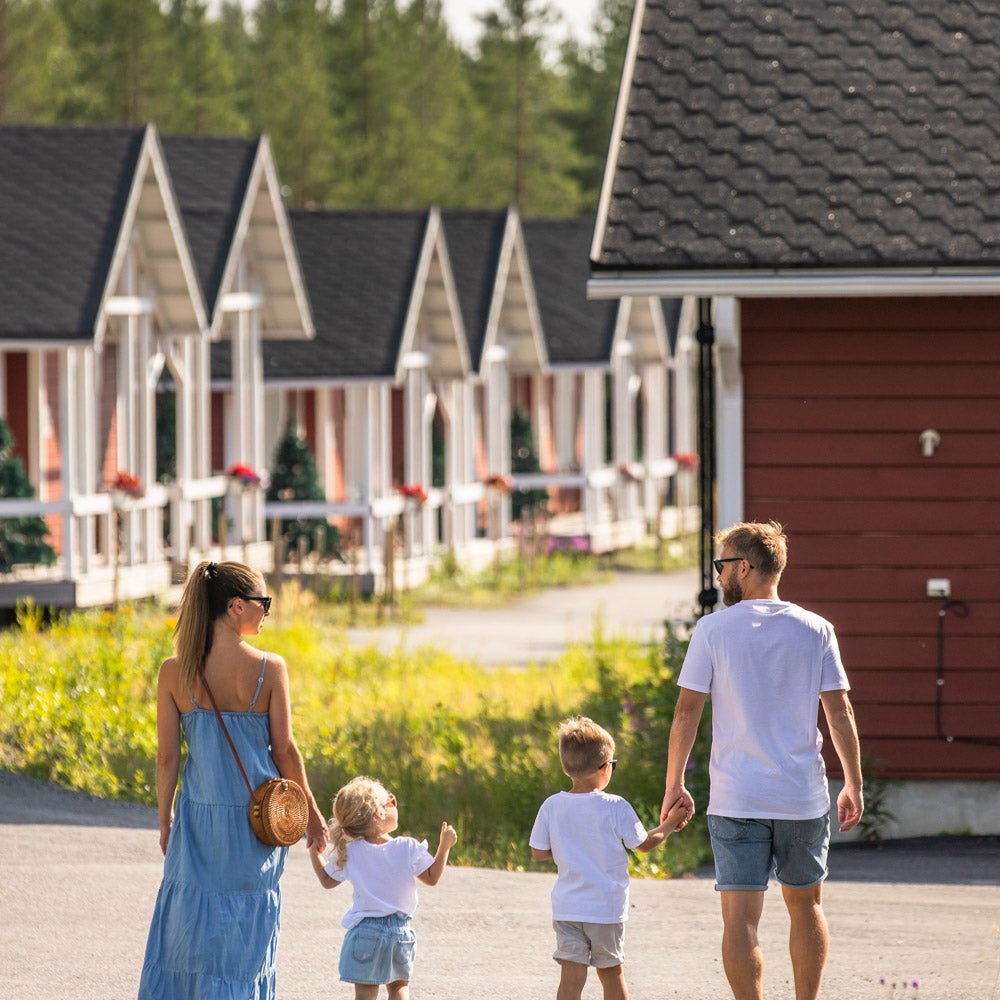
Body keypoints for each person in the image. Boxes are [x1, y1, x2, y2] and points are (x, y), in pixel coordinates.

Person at [661, 520, 864, 1000]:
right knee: (807, 906)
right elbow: (839, 710)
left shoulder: (712, 630)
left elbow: (687, 712)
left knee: (739, 918)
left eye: (722, 565)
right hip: (800, 795)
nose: (718, 576)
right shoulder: (816, 629)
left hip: (737, 796)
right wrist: (853, 782)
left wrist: (674, 784)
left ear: (745, 567)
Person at [138, 560, 328, 998]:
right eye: (264, 603)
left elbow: (168, 758)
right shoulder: (270, 669)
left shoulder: (174, 671)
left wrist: (165, 818)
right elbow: (285, 752)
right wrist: (313, 816)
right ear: (237, 607)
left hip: (200, 822)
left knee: (191, 930)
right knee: (246, 938)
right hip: (256, 822)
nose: (268, 612)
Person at [529, 716, 688, 1000]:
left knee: (571, 978)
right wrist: (669, 824)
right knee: (611, 974)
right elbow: (644, 844)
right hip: (605, 910)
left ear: (567, 768)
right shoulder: (615, 806)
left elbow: (538, 852)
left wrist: (569, 847)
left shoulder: (551, 806)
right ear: (604, 769)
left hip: (567, 908)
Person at [308, 776, 458, 1000]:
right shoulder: (407, 847)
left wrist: (314, 852)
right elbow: (432, 877)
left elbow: (327, 880)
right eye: (390, 801)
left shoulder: (350, 851)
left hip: (365, 933)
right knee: (398, 988)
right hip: (400, 933)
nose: (394, 802)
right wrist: (444, 846)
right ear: (379, 814)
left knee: (366, 992)